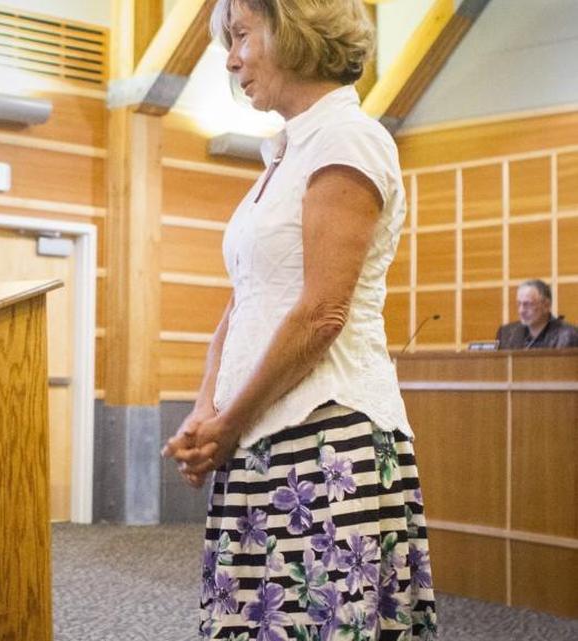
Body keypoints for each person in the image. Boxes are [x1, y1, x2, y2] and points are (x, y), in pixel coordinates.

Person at [161, 1, 436, 639]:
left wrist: (229, 422)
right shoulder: (287, 152)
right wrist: (208, 409)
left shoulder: (349, 138)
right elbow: (246, 298)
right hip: (259, 433)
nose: (230, 60)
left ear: (291, 31)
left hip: (326, 439)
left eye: (240, 36)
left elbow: (321, 313)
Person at [496, 279, 578, 349]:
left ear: (546, 305)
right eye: (519, 304)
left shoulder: (569, 336)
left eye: (528, 304)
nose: (521, 310)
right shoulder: (506, 334)